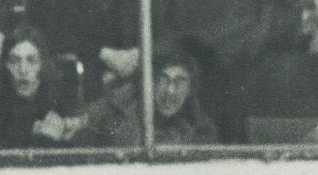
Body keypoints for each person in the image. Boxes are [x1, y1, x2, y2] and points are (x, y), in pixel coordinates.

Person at [0, 25, 85, 150]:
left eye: (31, 60)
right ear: (5, 65)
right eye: (14, 61)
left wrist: (73, 135)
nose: (23, 70)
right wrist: (41, 138)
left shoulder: (61, 103)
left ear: (42, 64)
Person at [80, 43, 218, 147]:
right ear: (149, 83)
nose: (170, 90)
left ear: (190, 89)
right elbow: (79, 125)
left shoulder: (200, 128)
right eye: (162, 79)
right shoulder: (115, 109)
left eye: (180, 81)